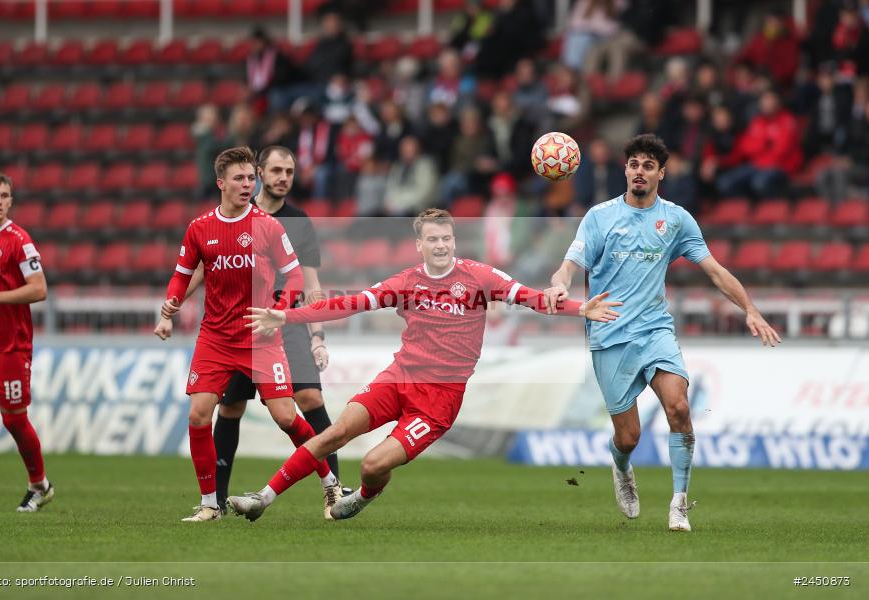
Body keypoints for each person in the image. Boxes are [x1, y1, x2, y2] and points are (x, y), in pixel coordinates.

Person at [226, 208, 622, 522]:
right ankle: (263, 497)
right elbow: (349, 304)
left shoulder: (479, 277)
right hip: (398, 378)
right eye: (432, 239)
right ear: (419, 244)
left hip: (439, 400)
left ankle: (363, 496)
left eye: (446, 238)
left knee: (372, 465)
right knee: (336, 432)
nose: (441, 245)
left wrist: (578, 309)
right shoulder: (406, 281)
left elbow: (531, 298)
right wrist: (287, 317)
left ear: (454, 240)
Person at [543, 134, 781, 532]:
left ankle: (679, 504)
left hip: (655, 329)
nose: (640, 171)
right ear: (625, 170)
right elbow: (569, 264)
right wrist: (559, 284)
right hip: (609, 333)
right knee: (630, 436)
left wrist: (750, 309)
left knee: (679, 408)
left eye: (648, 166)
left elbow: (716, 271)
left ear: (661, 174)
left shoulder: (676, 219)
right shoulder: (600, 217)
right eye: (634, 164)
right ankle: (621, 466)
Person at [155, 145, 346, 511]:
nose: (247, 185)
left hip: (263, 338)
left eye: (249, 178)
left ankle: (330, 482)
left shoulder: (271, 226)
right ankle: (210, 504)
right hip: (215, 337)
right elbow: (183, 276)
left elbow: (295, 277)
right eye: (239, 179)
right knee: (200, 414)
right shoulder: (200, 228)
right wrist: (169, 312)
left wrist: (278, 312)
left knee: (288, 417)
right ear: (221, 183)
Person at [0, 172, 53, 512]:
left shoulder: (19, 240)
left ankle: (40, 486)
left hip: (11, 348)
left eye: (5, 196)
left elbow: (39, 288)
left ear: (11, 202)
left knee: (14, 421)